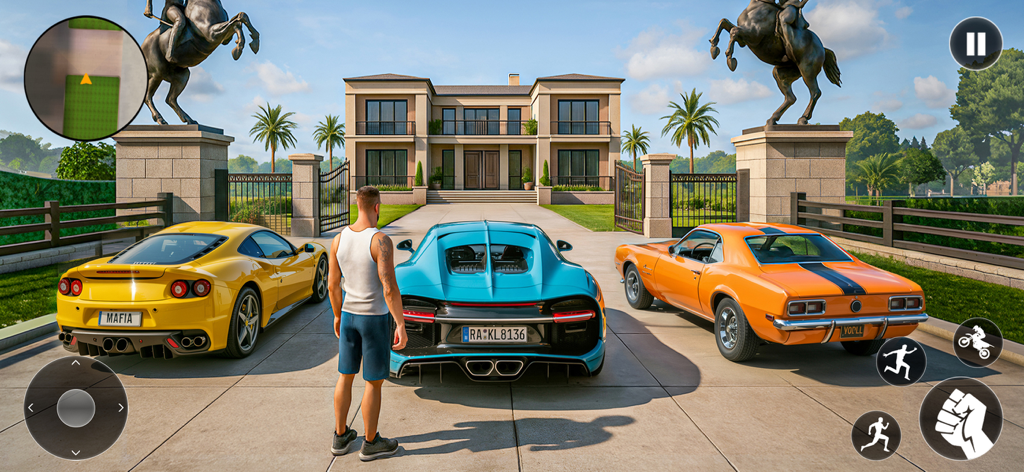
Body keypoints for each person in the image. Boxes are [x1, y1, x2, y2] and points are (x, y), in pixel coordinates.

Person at [328, 186, 408, 461]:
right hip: (374, 320)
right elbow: (389, 287)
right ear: (377, 207)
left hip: (348, 317)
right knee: (373, 383)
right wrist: (400, 323)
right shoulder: (380, 240)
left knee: (345, 376)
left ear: (357, 205)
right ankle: (371, 442)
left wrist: (337, 315)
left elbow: (333, 285)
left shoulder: (338, 240)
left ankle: (340, 436)